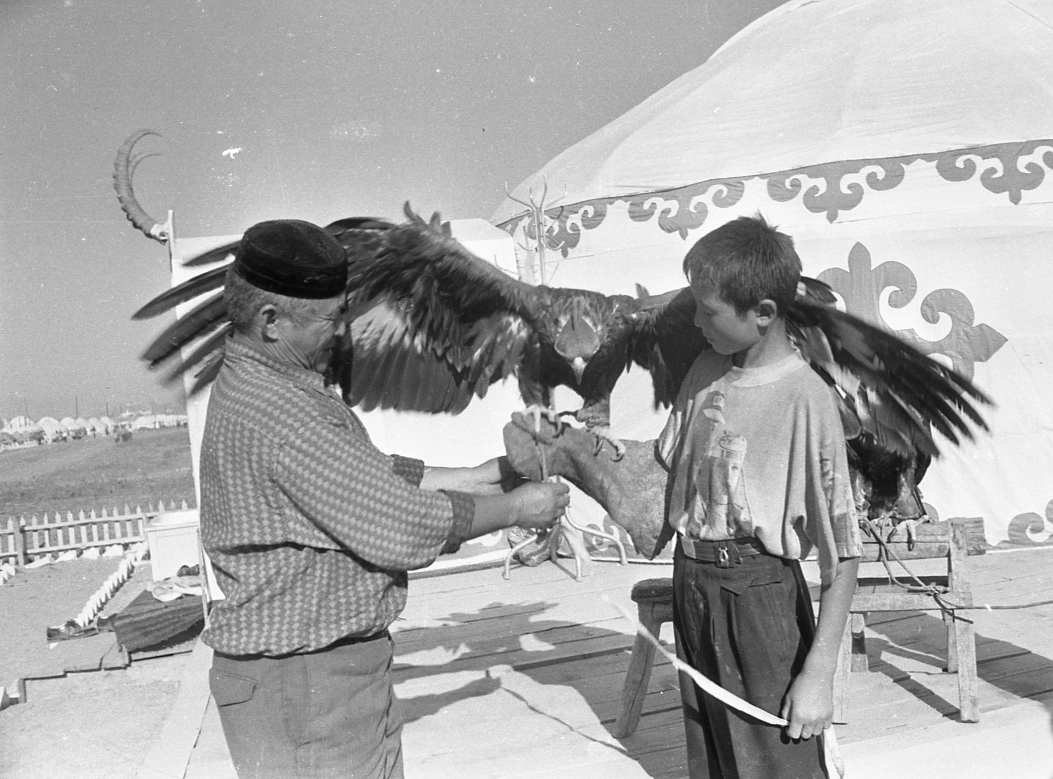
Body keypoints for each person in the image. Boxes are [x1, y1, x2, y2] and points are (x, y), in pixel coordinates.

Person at [198, 219, 570, 779]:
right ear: (271, 322)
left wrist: (483, 475)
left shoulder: (276, 386)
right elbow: (397, 524)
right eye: (331, 318)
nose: (344, 332)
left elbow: (363, 477)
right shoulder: (280, 413)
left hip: (314, 678)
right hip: (304, 687)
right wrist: (518, 508)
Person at [509, 214, 862, 778]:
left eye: (708, 310)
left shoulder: (806, 399)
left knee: (776, 766)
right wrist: (573, 447)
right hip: (693, 584)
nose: (694, 322)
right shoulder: (703, 372)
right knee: (715, 764)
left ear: (764, 314)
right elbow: (665, 470)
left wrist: (818, 674)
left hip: (759, 596)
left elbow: (843, 555)